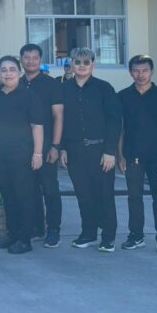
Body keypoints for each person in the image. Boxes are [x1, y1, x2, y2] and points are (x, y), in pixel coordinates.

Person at [59, 47, 122, 252]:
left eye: (86, 62)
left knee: (104, 195)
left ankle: (108, 237)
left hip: (100, 150)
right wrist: (62, 148)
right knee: (83, 194)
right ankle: (88, 233)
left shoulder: (104, 88)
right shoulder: (64, 89)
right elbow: (61, 122)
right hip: (75, 151)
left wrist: (110, 151)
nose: (82, 66)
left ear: (93, 65)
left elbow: (114, 121)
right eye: (77, 62)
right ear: (72, 64)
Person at [117, 55, 157, 256]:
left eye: (144, 71)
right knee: (134, 197)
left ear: (152, 72)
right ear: (130, 72)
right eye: (136, 71)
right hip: (132, 156)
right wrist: (120, 156)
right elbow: (120, 129)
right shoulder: (123, 96)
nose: (140, 75)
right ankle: (136, 236)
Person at [0, 56, 43, 255]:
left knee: (23, 197)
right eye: (3, 70)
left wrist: (38, 153)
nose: (8, 73)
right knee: (8, 196)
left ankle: (25, 239)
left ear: (19, 73)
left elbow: (37, 126)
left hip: (22, 156)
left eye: (12, 69)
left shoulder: (29, 95)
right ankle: (12, 234)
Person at [19, 43, 64, 248]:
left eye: (34, 58)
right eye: (26, 57)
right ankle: (37, 227)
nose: (30, 61)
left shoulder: (51, 85)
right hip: (22, 147)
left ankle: (53, 229)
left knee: (50, 188)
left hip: (46, 146)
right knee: (29, 189)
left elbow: (58, 116)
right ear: (21, 60)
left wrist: (55, 145)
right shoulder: (17, 83)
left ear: (40, 60)